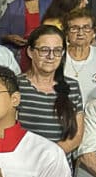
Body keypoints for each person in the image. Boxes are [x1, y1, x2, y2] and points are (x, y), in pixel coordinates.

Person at [16, 25, 84, 155]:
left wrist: (50, 156)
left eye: (57, 50)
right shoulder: (16, 85)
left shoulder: (72, 86)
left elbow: (76, 136)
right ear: (30, 52)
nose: (51, 56)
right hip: (25, 163)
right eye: (44, 50)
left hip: (59, 166)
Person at [0, 0, 51, 65]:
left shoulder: (50, 3)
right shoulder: (13, 7)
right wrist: (8, 37)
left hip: (47, 53)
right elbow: (0, 31)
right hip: (21, 55)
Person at [63, 9, 96, 104]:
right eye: (74, 28)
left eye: (86, 28)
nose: (80, 33)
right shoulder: (56, 57)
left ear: (94, 32)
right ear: (67, 33)